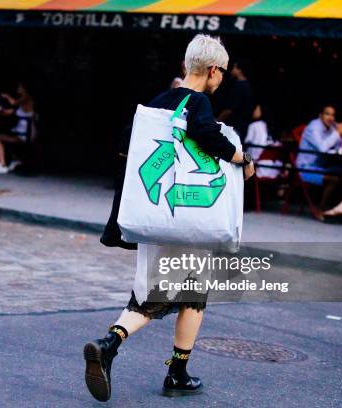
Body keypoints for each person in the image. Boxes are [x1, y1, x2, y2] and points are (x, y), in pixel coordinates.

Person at [84, 34, 255, 402]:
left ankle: (112, 343)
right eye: (221, 72)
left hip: (156, 213)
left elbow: (124, 144)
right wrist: (241, 159)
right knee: (193, 295)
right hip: (188, 216)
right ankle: (169, 370)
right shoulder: (199, 102)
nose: (221, 78)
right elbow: (206, 133)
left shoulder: (156, 103)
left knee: (151, 294)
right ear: (212, 70)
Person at [296, 105, 342, 216]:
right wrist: (337, 133)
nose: (330, 117)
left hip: (321, 167)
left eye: (333, 115)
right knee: (334, 178)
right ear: (320, 115)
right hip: (305, 168)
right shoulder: (314, 127)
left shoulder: (331, 127)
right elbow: (322, 148)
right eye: (327, 114)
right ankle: (320, 209)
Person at [0, 82, 35, 174]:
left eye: (20, 87)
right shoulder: (24, 100)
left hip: (25, 133)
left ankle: (2, 164)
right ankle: (16, 159)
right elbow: (15, 110)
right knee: (6, 131)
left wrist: (7, 96)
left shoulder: (26, 98)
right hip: (21, 131)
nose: (18, 88)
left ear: (24, 89)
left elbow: (13, 102)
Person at [216, 58, 255, 141]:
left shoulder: (239, 86)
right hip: (244, 127)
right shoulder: (249, 86)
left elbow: (229, 109)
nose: (232, 69)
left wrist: (216, 122)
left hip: (234, 127)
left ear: (240, 70)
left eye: (234, 67)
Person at [244, 104, 282, 179]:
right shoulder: (272, 127)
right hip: (275, 170)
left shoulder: (254, 125)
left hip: (258, 168)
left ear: (262, 112)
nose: (253, 111)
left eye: (256, 109)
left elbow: (246, 143)